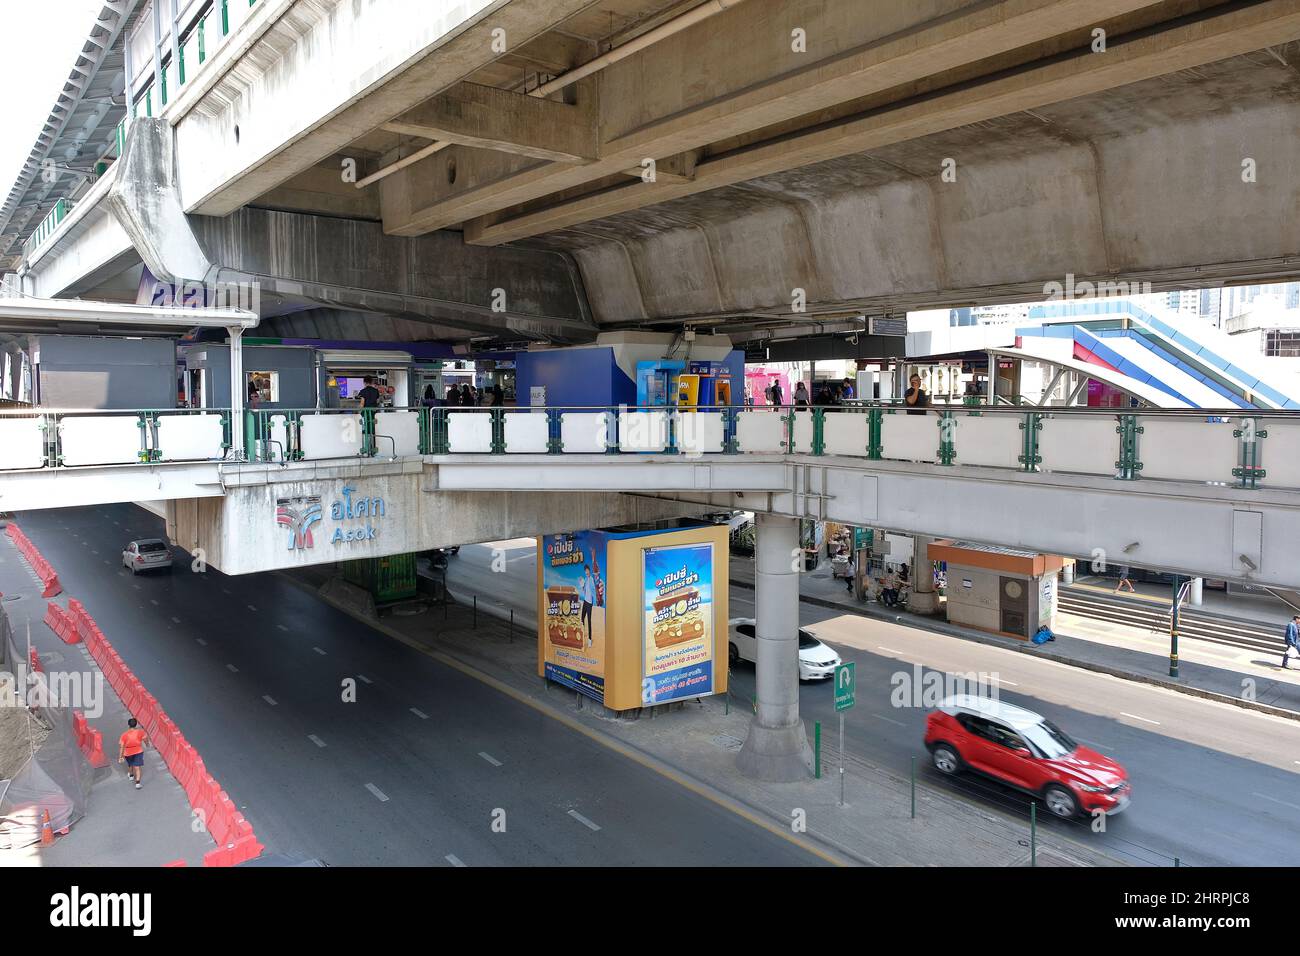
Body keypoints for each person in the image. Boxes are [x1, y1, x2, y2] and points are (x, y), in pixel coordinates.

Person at [118, 717, 147, 790]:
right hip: (138, 751)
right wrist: (147, 744)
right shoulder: (140, 732)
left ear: (128, 725)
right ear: (136, 725)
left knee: (130, 764)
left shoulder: (124, 735)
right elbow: (145, 739)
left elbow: (121, 747)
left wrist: (120, 757)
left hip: (127, 753)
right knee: (137, 767)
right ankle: (137, 783)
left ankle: (131, 775)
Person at [579, 563, 597, 648]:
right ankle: (582, 635)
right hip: (585, 602)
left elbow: (594, 590)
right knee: (582, 619)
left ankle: (589, 640)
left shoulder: (592, 579)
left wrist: (596, 601)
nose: (586, 572)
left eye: (587, 571)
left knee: (589, 621)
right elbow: (584, 590)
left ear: (589, 570)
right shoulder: (586, 579)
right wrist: (581, 584)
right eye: (585, 571)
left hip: (590, 603)